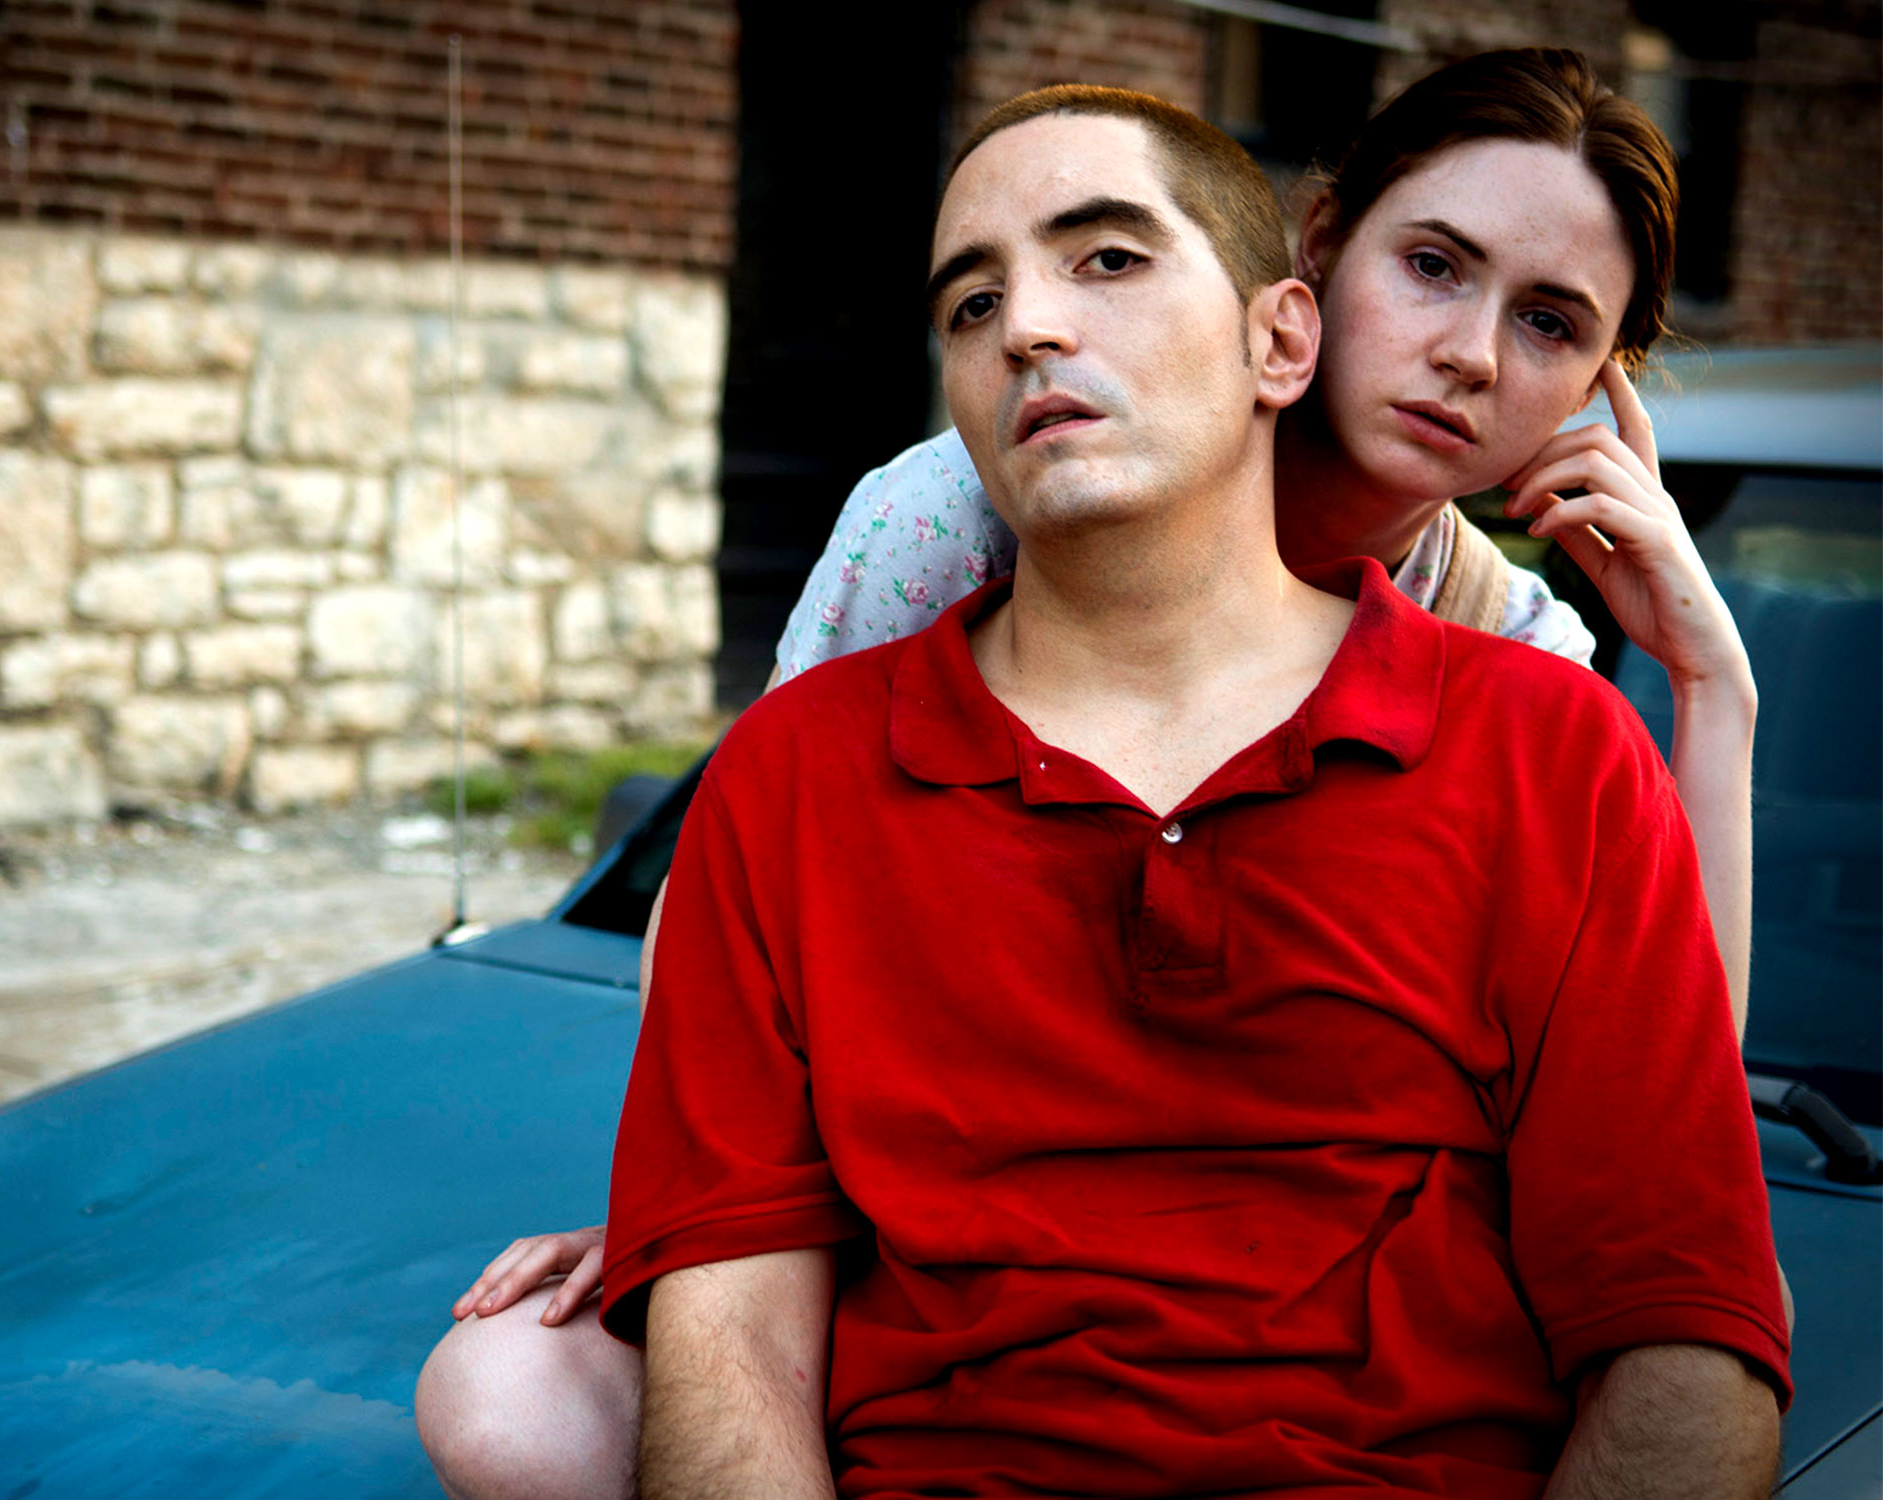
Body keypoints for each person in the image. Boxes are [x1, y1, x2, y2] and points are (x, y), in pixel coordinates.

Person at [415, 54, 1775, 1500]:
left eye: (1551, 324)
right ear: (1313, 269)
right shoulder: (970, 498)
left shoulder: (1527, 672)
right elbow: (771, 894)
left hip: (1349, 1346)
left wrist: (1714, 693)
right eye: (1433, 268)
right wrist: (699, 1224)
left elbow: (1663, 1110)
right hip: (943, 1260)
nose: (1471, 355)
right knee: (517, 1383)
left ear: (1599, 386)